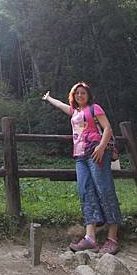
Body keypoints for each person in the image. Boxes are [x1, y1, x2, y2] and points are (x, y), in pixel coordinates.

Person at [42, 81, 122, 254]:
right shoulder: (75, 112)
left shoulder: (95, 108)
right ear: (73, 95)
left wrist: (101, 147)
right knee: (85, 192)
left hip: (95, 152)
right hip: (79, 157)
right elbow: (62, 106)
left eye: (83, 93)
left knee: (105, 190)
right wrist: (49, 99)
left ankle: (112, 238)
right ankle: (90, 238)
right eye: (77, 93)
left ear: (88, 95)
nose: (80, 95)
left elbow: (107, 128)